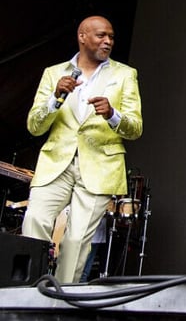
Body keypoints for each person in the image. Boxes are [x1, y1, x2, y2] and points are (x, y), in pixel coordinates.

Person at [22, 16, 143, 283]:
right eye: (101, 36)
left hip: (100, 166)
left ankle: (61, 299)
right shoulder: (54, 73)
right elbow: (34, 126)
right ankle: (29, 291)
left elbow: (135, 128)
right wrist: (55, 99)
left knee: (77, 240)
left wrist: (113, 114)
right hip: (56, 162)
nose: (108, 41)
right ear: (82, 36)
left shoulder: (124, 74)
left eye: (111, 37)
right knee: (34, 220)